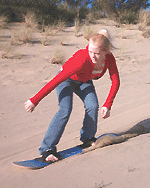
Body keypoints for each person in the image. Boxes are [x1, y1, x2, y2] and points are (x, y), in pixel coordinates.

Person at [24, 29, 120, 162]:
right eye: (90, 51)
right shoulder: (82, 58)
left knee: (93, 106)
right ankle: (47, 149)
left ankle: (88, 138)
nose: (92, 56)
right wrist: (34, 100)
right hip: (66, 81)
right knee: (65, 109)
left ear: (106, 51)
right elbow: (56, 80)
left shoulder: (109, 59)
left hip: (84, 81)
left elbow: (116, 81)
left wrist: (108, 104)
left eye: (96, 53)